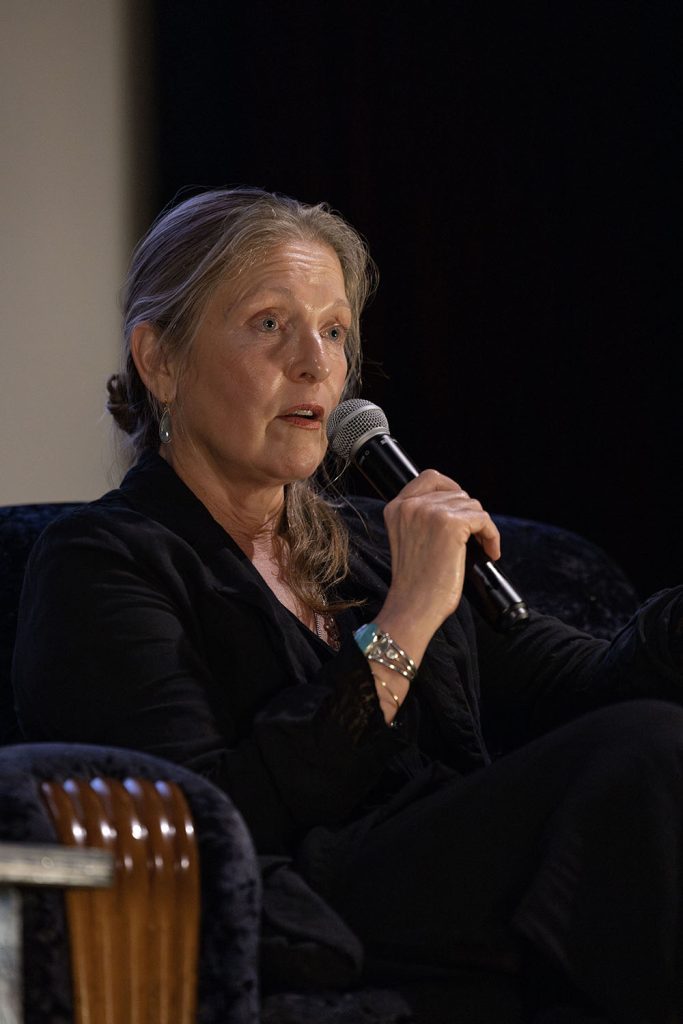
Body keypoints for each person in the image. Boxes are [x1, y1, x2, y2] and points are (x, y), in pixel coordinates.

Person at [11, 187, 683, 1024]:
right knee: (645, 752)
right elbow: (198, 820)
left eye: (333, 331)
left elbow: (585, 686)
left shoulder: (371, 540)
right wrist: (404, 619)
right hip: (294, 902)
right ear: (160, 360)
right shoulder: (101, 560)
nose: (315, 364)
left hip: (447, 884)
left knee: (651, 743)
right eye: (268, 323)